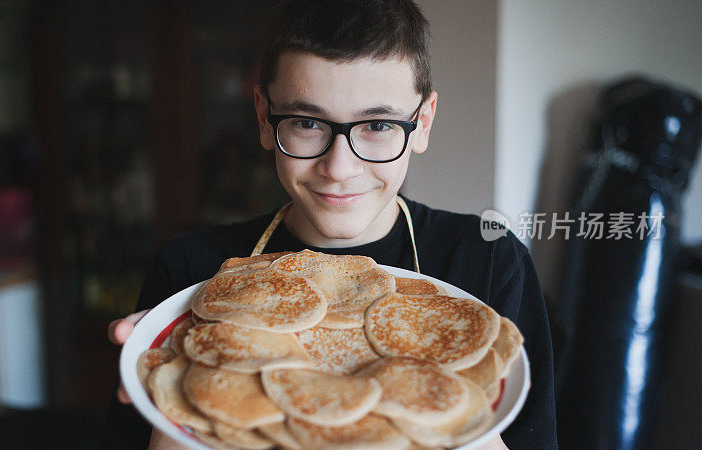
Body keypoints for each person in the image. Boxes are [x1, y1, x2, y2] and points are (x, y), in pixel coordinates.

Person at [103, 0, 558, 448]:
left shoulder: (489, 261)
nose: (339, 168)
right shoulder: (189, 273)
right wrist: (183, 374)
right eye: (306, 122)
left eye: (377, 126)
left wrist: (460, 416)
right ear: (264, 117)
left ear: (422, 124)